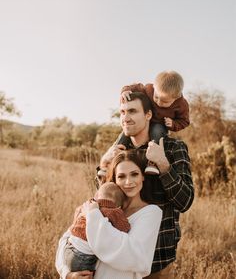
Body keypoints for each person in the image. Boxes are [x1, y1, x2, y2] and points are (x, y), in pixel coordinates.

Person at [98, 91, 194, 278]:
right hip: (118, 252)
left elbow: (186, 202)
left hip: (156, 258)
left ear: (149, 115)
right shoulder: (118, 152)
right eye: (122, 112)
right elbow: (104, 202)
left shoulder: (174, 148)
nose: (125, 118)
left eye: (132, 111)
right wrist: (103, 167)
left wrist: (164, 166)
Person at [56, 149, 163, 279]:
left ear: (143, 176)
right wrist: (67, 273)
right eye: (121, 176)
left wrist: (94, 215)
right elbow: (67, 239)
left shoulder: (151, 213)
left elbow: (134, 257)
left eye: (134, 174)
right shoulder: (101, 204)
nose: (128, 182)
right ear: (114, 179)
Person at [118, 71, 190, 174]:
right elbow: (136, 87)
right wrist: (125, 91)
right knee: (125, 134)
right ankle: (114, 156)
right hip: (144, 122)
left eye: (165, 102)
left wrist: (173, 124)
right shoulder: (148, 89)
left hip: (160, 124)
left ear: (176, 98)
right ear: (154, 87)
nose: (159, 102)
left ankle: (152, 162)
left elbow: (185, 121)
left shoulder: (182, 105)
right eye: (156, 97)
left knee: (157, 132)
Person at [64, 182, 130, 274]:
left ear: (97, 195)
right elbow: (125, 228)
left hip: (69, 248)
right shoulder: (113, 212)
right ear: (119, 205)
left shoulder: (86, 206)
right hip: (83, 256)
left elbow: (76, 218)